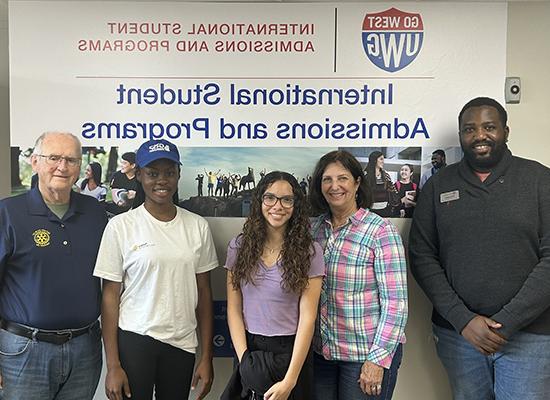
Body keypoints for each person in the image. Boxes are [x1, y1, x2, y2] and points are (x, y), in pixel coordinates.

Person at [409, 97, 550, 400]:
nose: (480, 136)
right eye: (469, 129)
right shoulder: (438, 185)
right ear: (461, 136)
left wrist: (507, 322)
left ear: (506, 131)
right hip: (459, 337)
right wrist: (463, 320)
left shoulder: (540, 180)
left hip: (531, 336)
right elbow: (422, 256)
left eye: (489, 127)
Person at [93, 139, 218, 400]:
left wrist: (206, 356)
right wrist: (113, 365)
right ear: (138, 175)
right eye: (152, 173)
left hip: (182, 343)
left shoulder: (197, 226)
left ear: (178, 175)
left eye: (169, 173)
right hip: (135, 339)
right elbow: (110, 296)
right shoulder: (121, 226)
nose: (161, 180)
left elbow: (204, 294)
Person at [0, 131, 107, 399]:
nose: (62, 166)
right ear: (35, 162)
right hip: (24, 351)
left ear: (80, 167)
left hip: (85, 350)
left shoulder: (95, 213)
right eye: (54, 158)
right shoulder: (7, 213)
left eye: (71, 160)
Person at [309, 150, 408, 400]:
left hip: (365, 356)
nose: (334, 186)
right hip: (322, 355)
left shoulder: (381, 231)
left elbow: (395, 304)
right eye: (327, 179)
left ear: (357, 182)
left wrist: (377, 360)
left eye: (342, 178)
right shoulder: (314, 230)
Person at [222, 171, 324, 400]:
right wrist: (244, 361)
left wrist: (290, 380)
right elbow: (233, 309)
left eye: (287, 199)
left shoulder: (310, 252)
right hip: (249, 347)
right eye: (270, 198)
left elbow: (308, 318)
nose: (277, 206)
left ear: (296, 204)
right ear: (259, 200)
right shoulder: (238, 247)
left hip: (291, 352)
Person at [364, 151, 399, 218]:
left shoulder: (386, 176)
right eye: (381, 159)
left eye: (383, 159)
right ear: (374, 160)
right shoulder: (366, 176)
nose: (383, 161)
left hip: (386, 211)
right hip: (370, 212)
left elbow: (393, 192)